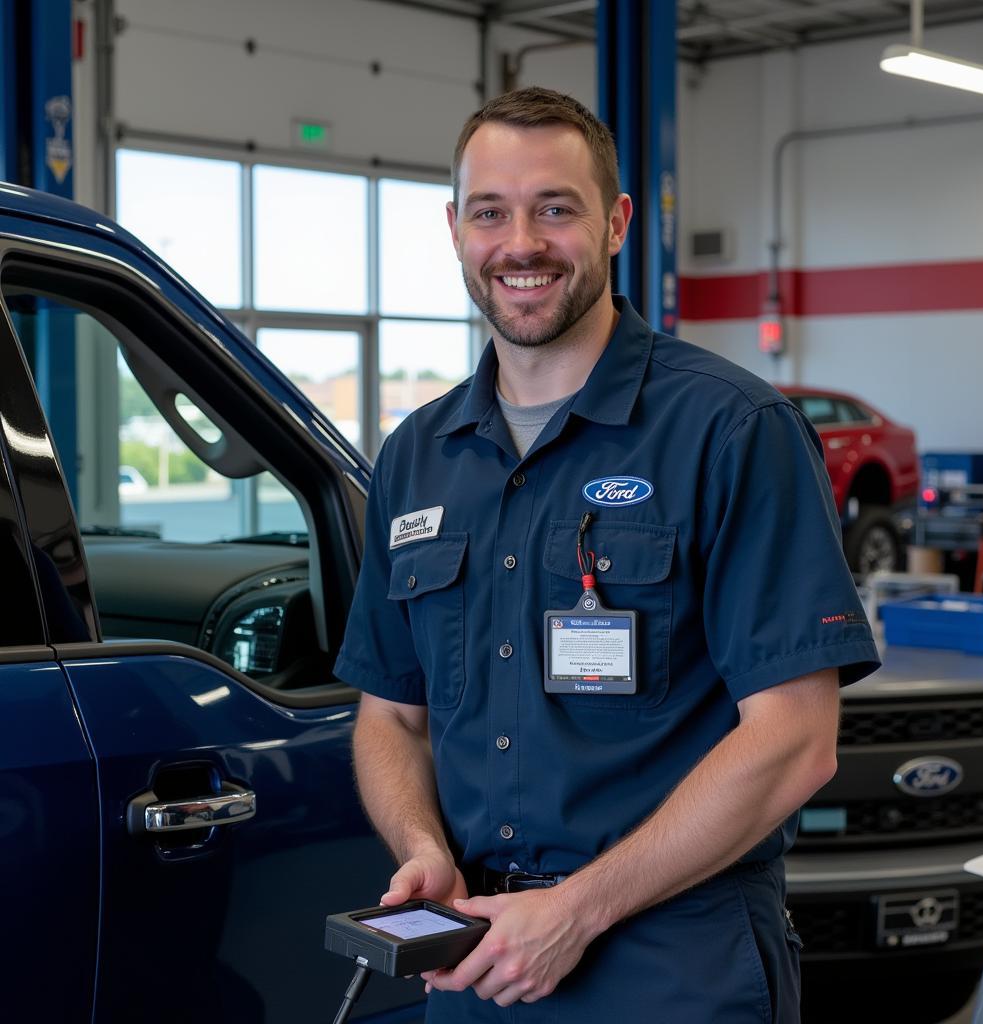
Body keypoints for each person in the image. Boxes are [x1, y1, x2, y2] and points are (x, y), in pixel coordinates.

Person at [334, 86, 880, 1023]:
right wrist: (422, 844)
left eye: (556, 208)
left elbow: (795, 739)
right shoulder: (417, 455)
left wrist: (576, 911)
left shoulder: (732, 430)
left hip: (674, 964)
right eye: (490, 212)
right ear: (455, 228)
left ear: (618, 221)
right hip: (478, 959)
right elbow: (392, 717)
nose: (522, 244)